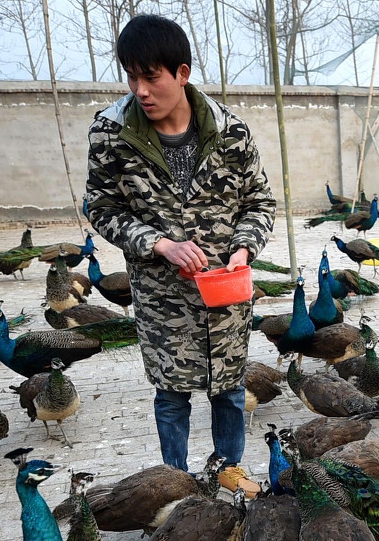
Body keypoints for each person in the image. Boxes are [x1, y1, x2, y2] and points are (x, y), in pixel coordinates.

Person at [84, 14, 275, 489]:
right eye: (132, 77)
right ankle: (175, 485)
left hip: (225, 293)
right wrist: (159, 244)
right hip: (161, 296)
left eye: (152, 77)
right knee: (171, 395)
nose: (141, 90)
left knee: (229, 392)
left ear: (182, 73)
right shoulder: (112, 135)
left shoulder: (231, 134)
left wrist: (244, 249)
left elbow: (259, 201)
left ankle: (229, 480)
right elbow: (101, 207)